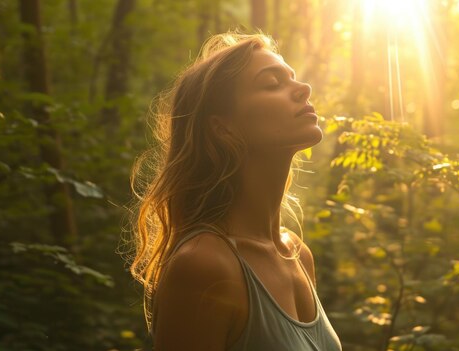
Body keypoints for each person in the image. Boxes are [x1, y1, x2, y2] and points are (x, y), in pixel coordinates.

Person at [128, 31, 342, 351]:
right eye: (272, 83)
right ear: (223, 127)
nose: (303, 89)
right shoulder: (204, 265)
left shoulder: (296, 253)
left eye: (293, 78)